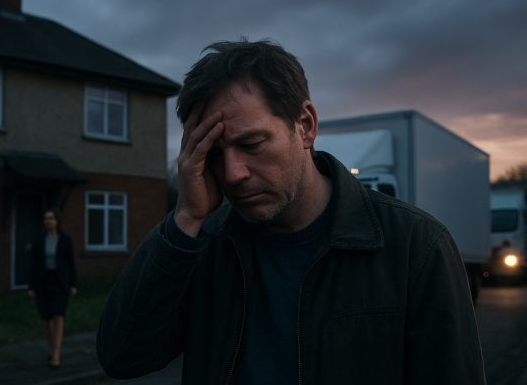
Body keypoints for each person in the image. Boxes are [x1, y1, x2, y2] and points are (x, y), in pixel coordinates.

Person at [97, 40, 486, 384]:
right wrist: (185, 219)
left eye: (252, 144)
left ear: (305, 126)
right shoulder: (205, 246)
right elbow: (122, 357)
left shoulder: (416, 246)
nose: (232, 174)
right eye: (213, 154)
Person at [28, 208, 78, 368]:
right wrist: (31, 286)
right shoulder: (39, 240)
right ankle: (52, 347)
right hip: (43, 282)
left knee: (58, 315)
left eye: (51, 218)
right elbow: (33, 264)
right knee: (47, 319)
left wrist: (73, 284)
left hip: (60, 282)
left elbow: (71, 264)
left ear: (57, 221)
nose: (48, 221)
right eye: (46, 219)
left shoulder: (65, 240)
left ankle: (56, 354)